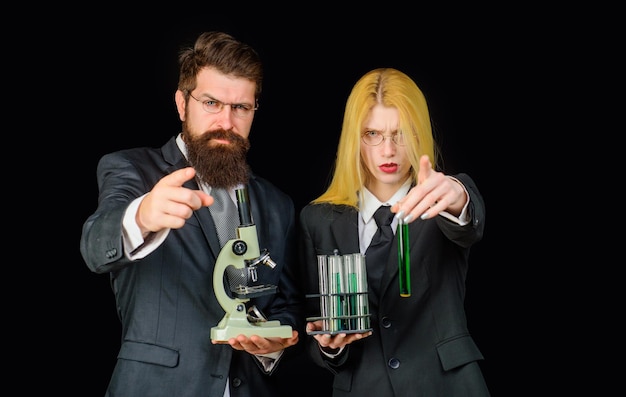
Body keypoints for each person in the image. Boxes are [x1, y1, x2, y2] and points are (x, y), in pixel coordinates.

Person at [80, 31, 303, 397]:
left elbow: (287, 304)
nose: (226, 123)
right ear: (182, 104)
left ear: (254, 110)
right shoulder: (132, 170)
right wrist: (142, 216)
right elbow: (94, 246)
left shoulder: (278, 204)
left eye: (241, 108)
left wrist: (275, 344)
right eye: (212, 103)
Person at [299, 67, 490, 396]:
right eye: (373, 134)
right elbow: (313, 328)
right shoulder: (317, 220)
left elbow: (468, 222)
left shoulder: (441, 199)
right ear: (354, 140)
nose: (388, 150)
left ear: (419, 134)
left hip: (447, 387)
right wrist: (330, 346)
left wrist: (458, 194)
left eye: (401, 133)